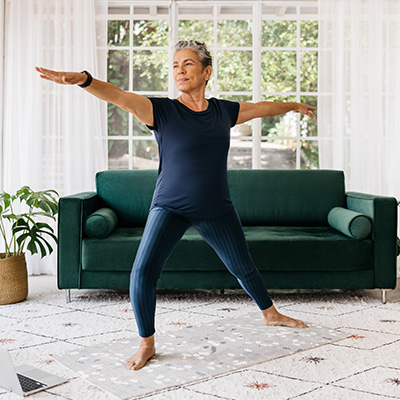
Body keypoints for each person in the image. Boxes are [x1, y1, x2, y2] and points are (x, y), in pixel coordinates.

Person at [36, 40, 315, 372]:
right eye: (175, 66)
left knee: (243, 266)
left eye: (188, 64)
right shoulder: (163, 111)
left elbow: (261, 107)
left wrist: (292, 106)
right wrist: (84, 80)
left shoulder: (224, 111)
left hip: (216, 206)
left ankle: (270, 314)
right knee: (142, 272)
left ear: (206, 71)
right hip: (170, 205)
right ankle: (147, 343)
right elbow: (120, 97)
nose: (179, 71)